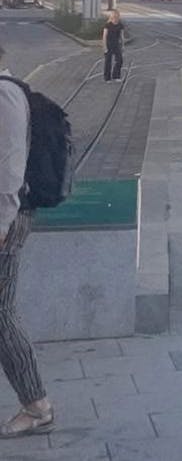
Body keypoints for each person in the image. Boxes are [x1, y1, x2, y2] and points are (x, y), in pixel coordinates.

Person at [0, 41, 52, 439]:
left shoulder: (5, 96)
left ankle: (36, 406)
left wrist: (1, 225)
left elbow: (10, 170)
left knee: (1, 315)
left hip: (5, 220)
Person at [102, 10, 126, 82]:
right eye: (114, 17)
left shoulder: (120, 25)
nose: (115, 18)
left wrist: (123, 45)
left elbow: (122, 36)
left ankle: (116, 76)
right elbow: (104, 36)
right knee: (108, 62)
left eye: (117, 17)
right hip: (109, 45)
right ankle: (107, 78)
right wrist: (105, 47)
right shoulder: (108, 25)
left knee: (119, 60)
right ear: (112, 17)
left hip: (116, 45)